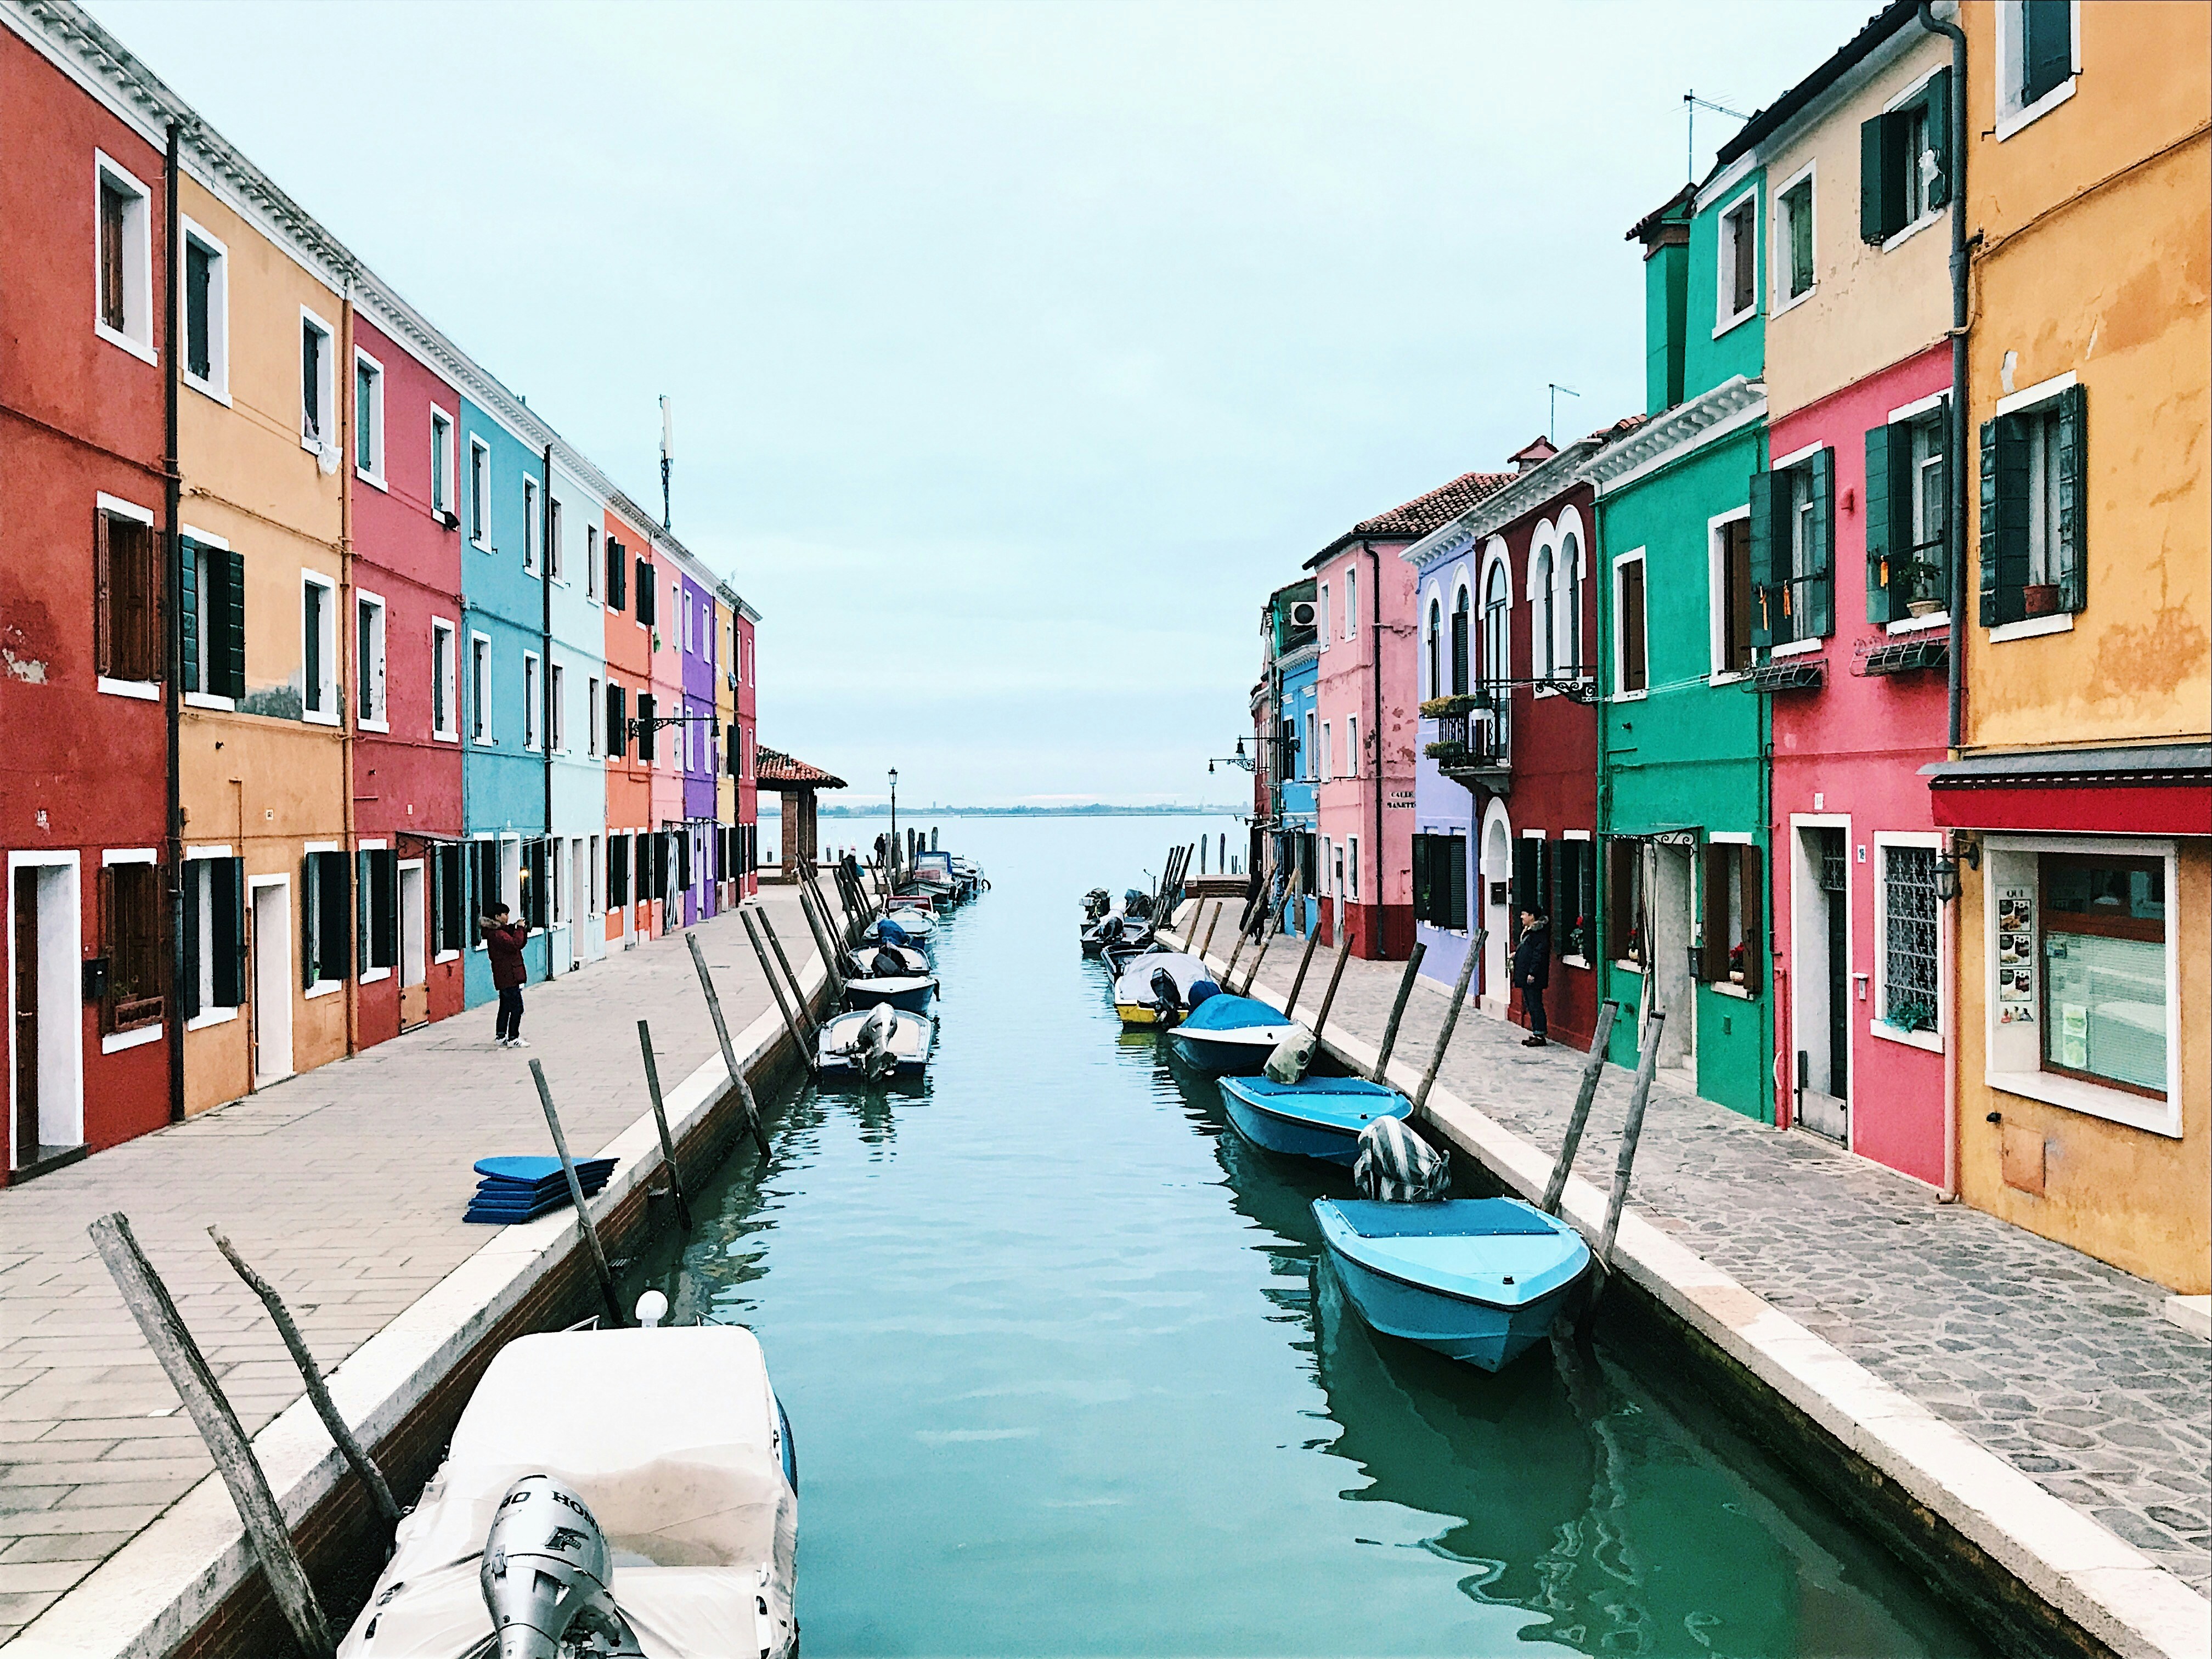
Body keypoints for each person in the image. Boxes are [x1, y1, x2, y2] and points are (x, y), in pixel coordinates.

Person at [481, 904, 530, 1048]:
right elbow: (515, 944)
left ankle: (501, 1035)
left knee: (505, 1006)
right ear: (497, 917)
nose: (507, 917)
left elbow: (519, 942)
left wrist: (519, 929)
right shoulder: (497, 934)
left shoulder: (501, 932)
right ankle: (513, 1037)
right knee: (517, 1008)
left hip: (507, 974)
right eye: (505, 914)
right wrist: (520, 929)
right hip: (508, 974)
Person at [1512, 907, 1551, 1047]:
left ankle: (1540, 1035)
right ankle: (1536, 1032)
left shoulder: (1538, 934)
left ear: (1532, 916)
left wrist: (1532, 973)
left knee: (1535, 1004)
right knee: (1530, 1003)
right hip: (1526, 974)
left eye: (1524, 914)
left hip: (1533, 976)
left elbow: (1539, 955)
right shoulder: (1529, 932)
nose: (1521, 917)